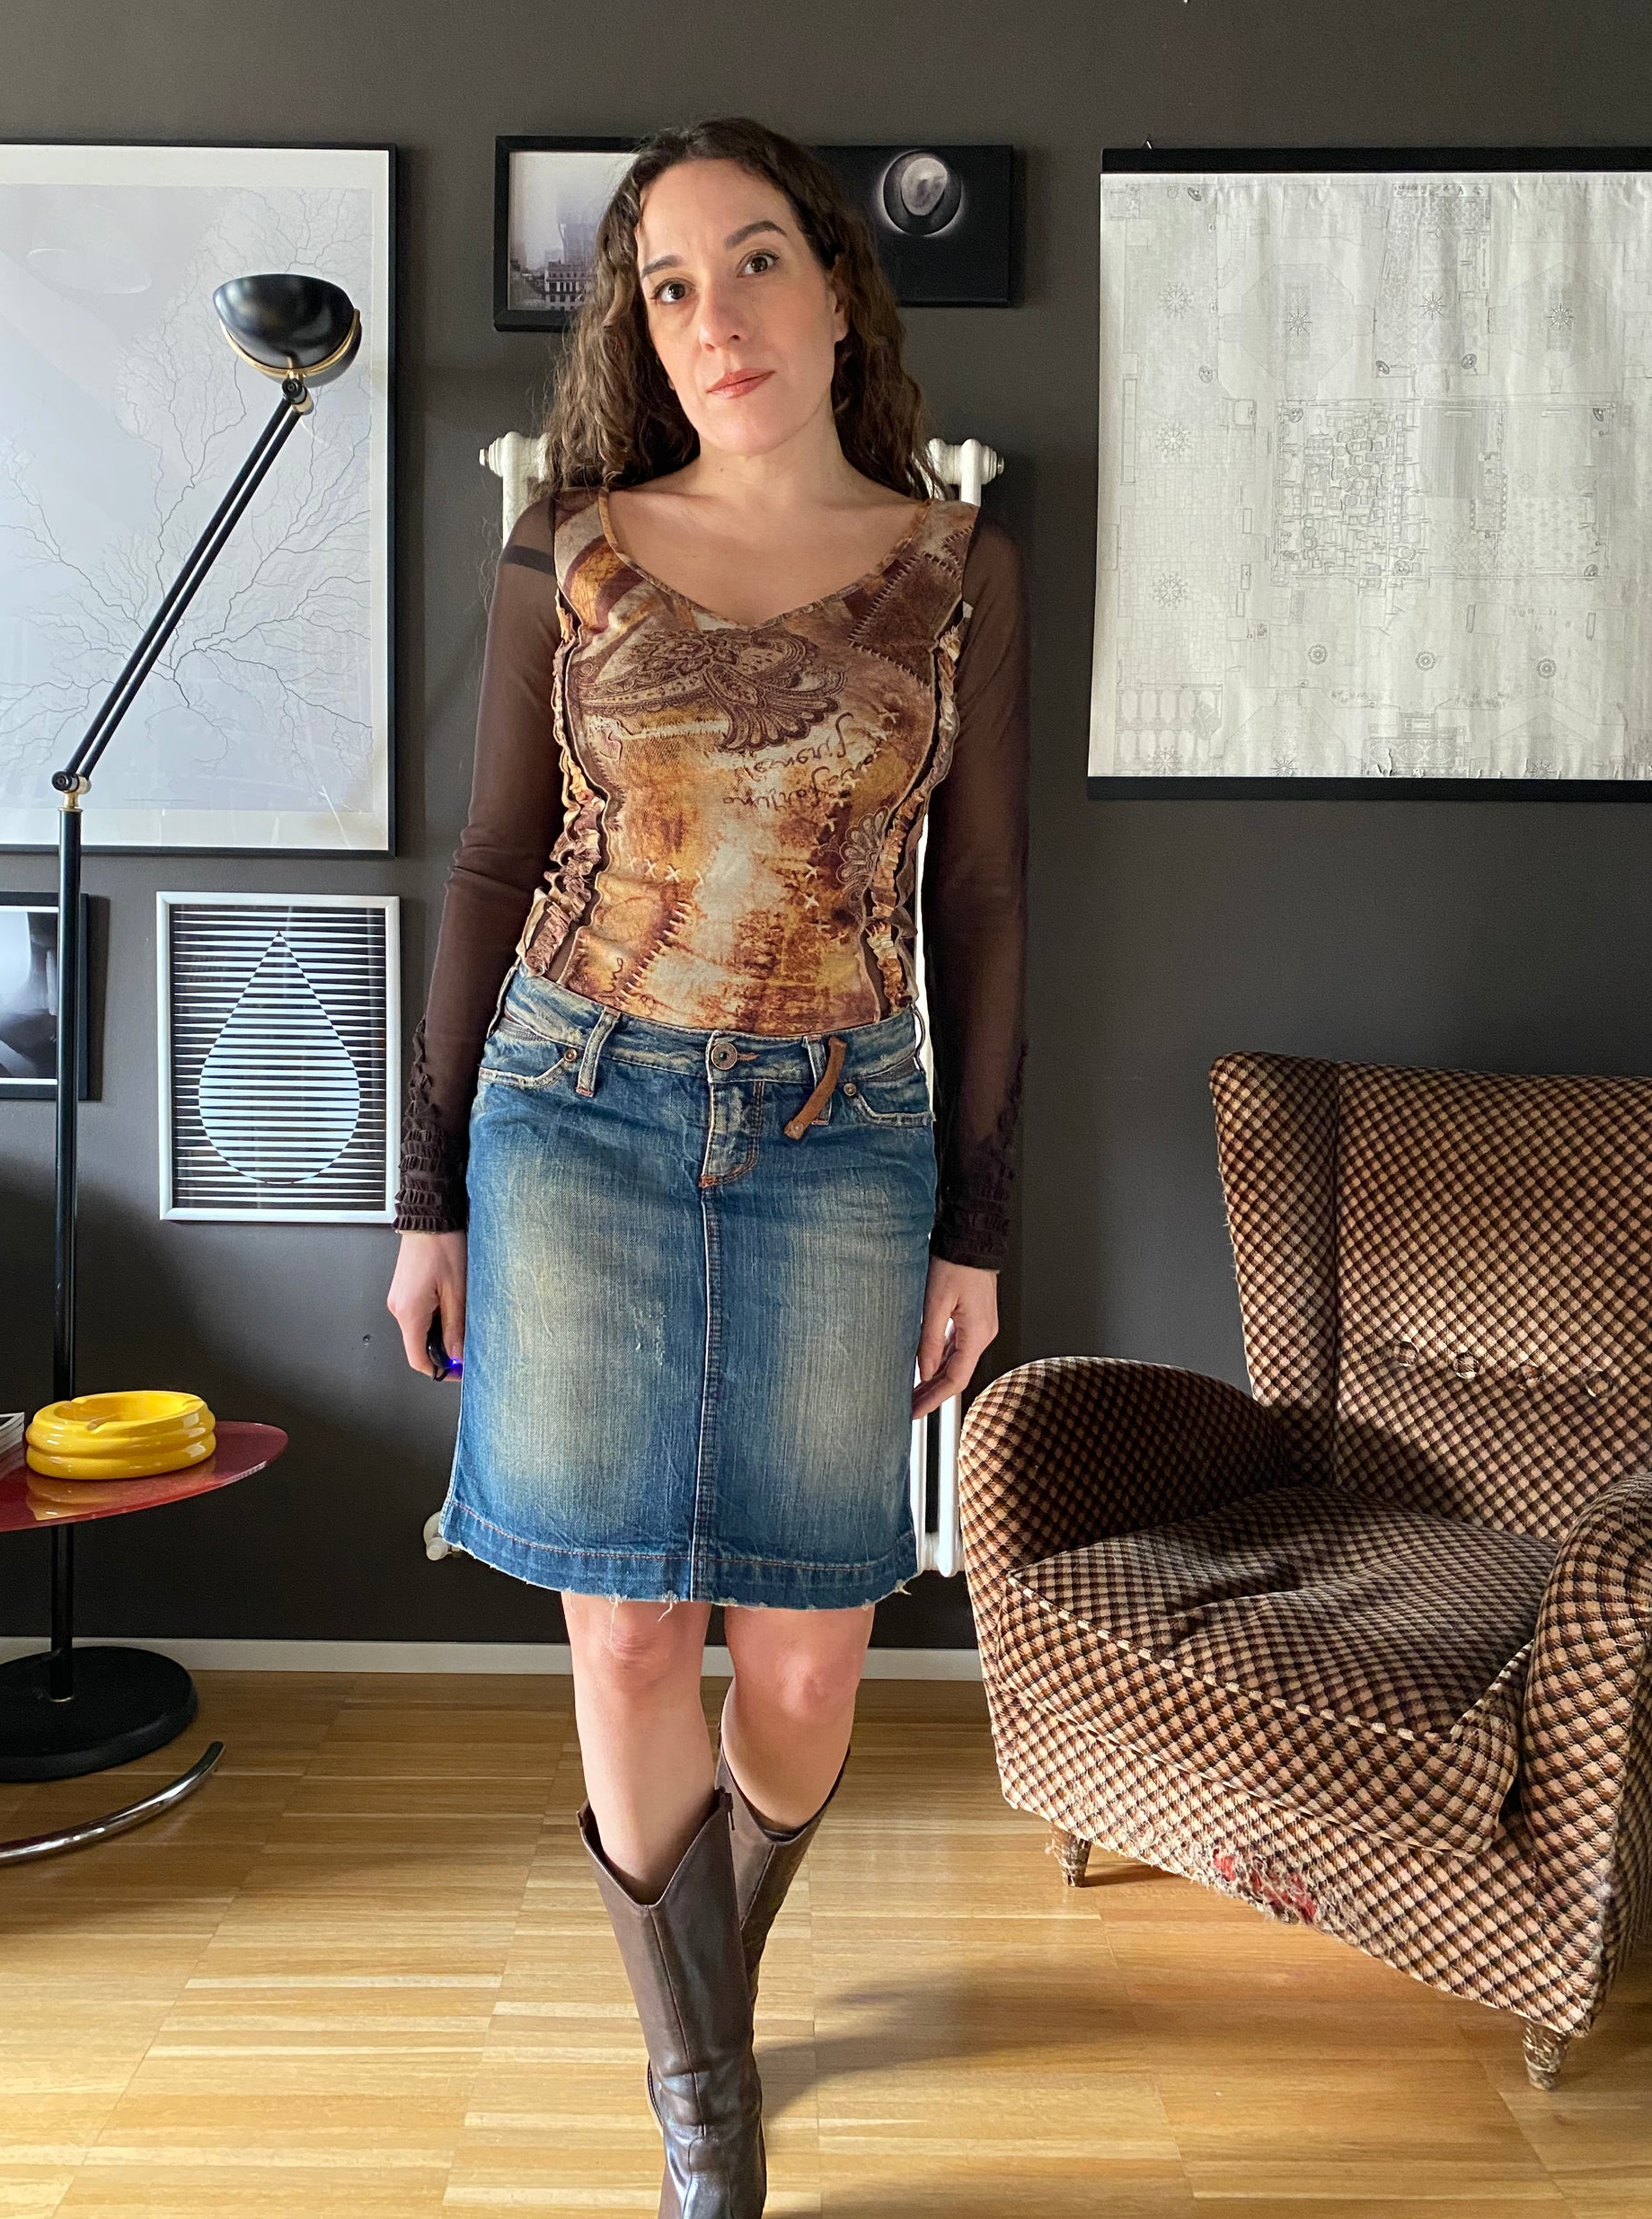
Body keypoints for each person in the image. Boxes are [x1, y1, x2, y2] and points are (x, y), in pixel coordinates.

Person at [388, 116, 1029, 2216]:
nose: (715, 313)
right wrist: (426, 1188)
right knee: (629, 1636)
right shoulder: (565, 549)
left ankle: (703, 1981)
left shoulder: (957, 568)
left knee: (811, 1655)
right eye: (668, 283)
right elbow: (491, 864)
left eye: (753, 260)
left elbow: (984, 903)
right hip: (574, 1109)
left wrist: (977, 1221)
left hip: (846, 1132)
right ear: (640, 331)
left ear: (835, 286)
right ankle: (704, 2098)